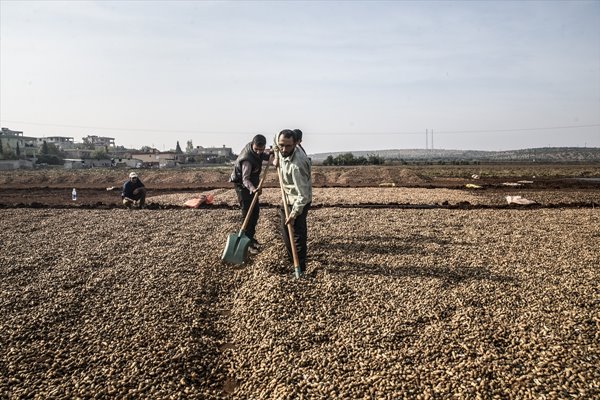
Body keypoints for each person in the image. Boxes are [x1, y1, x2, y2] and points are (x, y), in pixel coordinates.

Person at [275, 129, 312, 276]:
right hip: (287, 197)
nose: (284, 149)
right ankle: (292, 261)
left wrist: (294, 213)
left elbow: (302, 195)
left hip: (299, 201)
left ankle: (300, 267)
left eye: (288, 146)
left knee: (297, 234)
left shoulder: (297, 166)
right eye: (281, 145)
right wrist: (276, 157)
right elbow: (275, 141)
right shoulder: (281, 148)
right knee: (285, 231)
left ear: (296, 144)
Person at [229, 134, 271, 254]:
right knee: (247, 213)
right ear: (253, 145)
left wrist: (271, 154)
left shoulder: (257, 152)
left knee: (255, 212)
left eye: (261, 150)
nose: (258, 152)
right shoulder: (247, 159)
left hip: (252, 186)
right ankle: (246, 244)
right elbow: (245, 179)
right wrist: (253, 189)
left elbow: (264, 156)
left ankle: (250, 238)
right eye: (256, 149)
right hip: (243, 186)